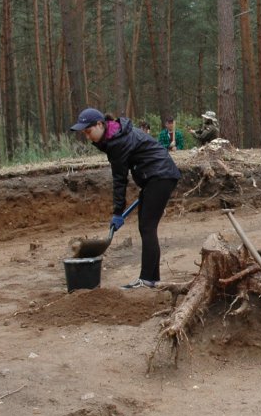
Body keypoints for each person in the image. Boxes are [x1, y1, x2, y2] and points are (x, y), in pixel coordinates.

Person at [70, 107, 181, 288]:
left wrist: (117, 212)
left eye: (89, 131)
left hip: (160, 177)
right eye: (85, 134)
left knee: (147, 227)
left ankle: (146, 280)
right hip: (155, 177)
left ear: (100, 124)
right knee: (146, 227)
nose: (88, 137)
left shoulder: (117, 142)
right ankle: (152, 280)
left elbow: (119, 180)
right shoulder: (116, 135)